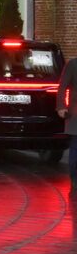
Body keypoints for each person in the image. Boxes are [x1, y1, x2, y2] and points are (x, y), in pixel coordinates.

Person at [59, 54, 77, 184]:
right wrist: (61, 106)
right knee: (76, 147)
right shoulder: (73, 64)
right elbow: (62, 86)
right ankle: (75, 178)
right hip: (76, 113)